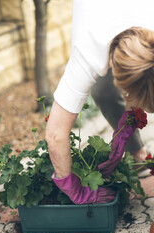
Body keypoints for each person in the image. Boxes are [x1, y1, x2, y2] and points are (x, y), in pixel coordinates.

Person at [45, 0, 154, 204]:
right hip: (99, 15)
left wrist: (124, 133)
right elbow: (54, 135)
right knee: (103, 91)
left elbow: (143, 81)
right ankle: (136, 149)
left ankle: (135, 152)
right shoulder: (87, 52)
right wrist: (75, 190)